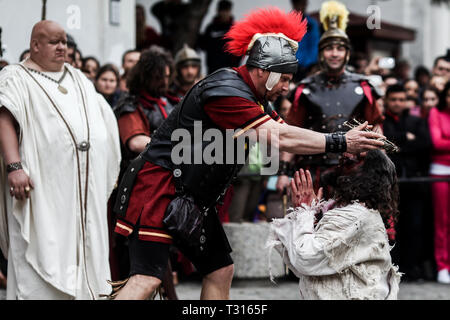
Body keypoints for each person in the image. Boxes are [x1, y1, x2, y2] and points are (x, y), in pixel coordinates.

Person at [108, 7, 385, 300]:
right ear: (262, 70)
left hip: (191, 195)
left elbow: (287, 135)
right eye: (284, 79)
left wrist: (343, 141)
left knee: (220, 271)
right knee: (147, 279)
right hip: (159, 187)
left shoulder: (256, 98)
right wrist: (341, 141)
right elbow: (281, 137)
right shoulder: (227, 89)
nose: (286, 87)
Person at [0, 20, 121, 299]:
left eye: (64, 42)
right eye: (54, 42)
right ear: (35, 45)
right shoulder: (14, 77)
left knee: (86, 253)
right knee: (39, 251)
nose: (62, 48)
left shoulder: (78, 78)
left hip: (82, 189)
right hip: (40, 186)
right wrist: (14, 167)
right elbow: (4, 119)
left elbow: (102, 120)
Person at [276, 1, 384, 198]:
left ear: (347, 53)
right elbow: (291, 132)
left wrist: (380, 165)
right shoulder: (305, 89)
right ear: (321, 54)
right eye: (329, 48)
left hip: (354, 171)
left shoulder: (364, 87)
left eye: (339, 48)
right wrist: (283, 173)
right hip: (312, 170)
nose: (334, 53)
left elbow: (376, 129)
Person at [267, 150, 401, 299]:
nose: (346, 155)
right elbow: (309, 265)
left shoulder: (355, 215)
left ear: (368, 175)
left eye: (358, 158)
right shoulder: (347, 210)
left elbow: (305, 260)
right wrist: (313, 214)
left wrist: (304, 212)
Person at [382, 84, 432, 281]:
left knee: (414, 226)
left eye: (401, 100)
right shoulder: (382, 122)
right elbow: (381, 142)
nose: (397, 103)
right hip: (389, 185)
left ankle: (411, 269)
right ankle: (392, 268)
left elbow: (425, 144)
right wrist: (404, 139)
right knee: (391, 227)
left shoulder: (417, 121)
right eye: (393, 99)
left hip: (413, 183)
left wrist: (396, 145)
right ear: (387, 100)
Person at [428, 81, 450, 284]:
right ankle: (442, 265)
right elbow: (436, 142)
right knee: (442, 221)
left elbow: (444, 141)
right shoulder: (436, 112)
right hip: (441, 171)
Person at [198, 0, 240, 74]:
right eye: (222, 11)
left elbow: (239, 50)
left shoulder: (235, 29)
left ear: (230, 11)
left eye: (226, 11)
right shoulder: (211, 28)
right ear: (218, 11)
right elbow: (203, 45)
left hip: (231, 71)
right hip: (212, 70)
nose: (224, 14)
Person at [291, 0, 320, 81]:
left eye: (303, 3)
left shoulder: (312, 24)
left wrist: (311, 66)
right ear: (294, 4)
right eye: (299, 3)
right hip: (291, 67)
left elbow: (315, 45)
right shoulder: (286, 22)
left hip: (308, 68)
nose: (301, 6)